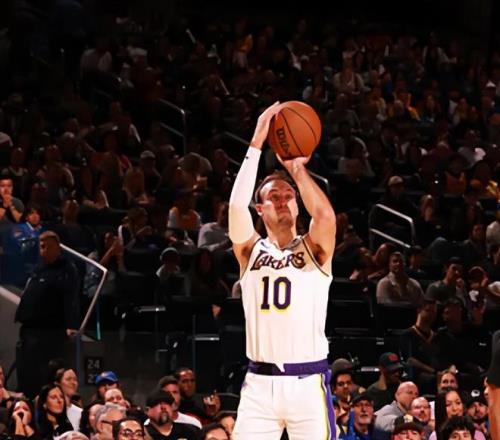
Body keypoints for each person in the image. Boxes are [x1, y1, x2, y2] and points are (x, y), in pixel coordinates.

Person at [228, 102, 337, 439]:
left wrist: (297, 170)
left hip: (307, 383)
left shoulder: (315, 249)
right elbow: (235, 206)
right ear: (259, 209)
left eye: (288, 195)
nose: (282, 200)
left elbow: (325, 217)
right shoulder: (249, 251)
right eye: (273, 196)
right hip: (260, 385)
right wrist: (256, 143)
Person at [15, 231, 81, 397]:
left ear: (57, 248)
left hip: (49, 330)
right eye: (41, 246)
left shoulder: (66, 269)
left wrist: (71, 324)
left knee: (44, 372)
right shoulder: (40, 268)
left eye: (46, 247)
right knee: (26, 369)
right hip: (30, 329)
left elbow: (71, 298)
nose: (42, 250)